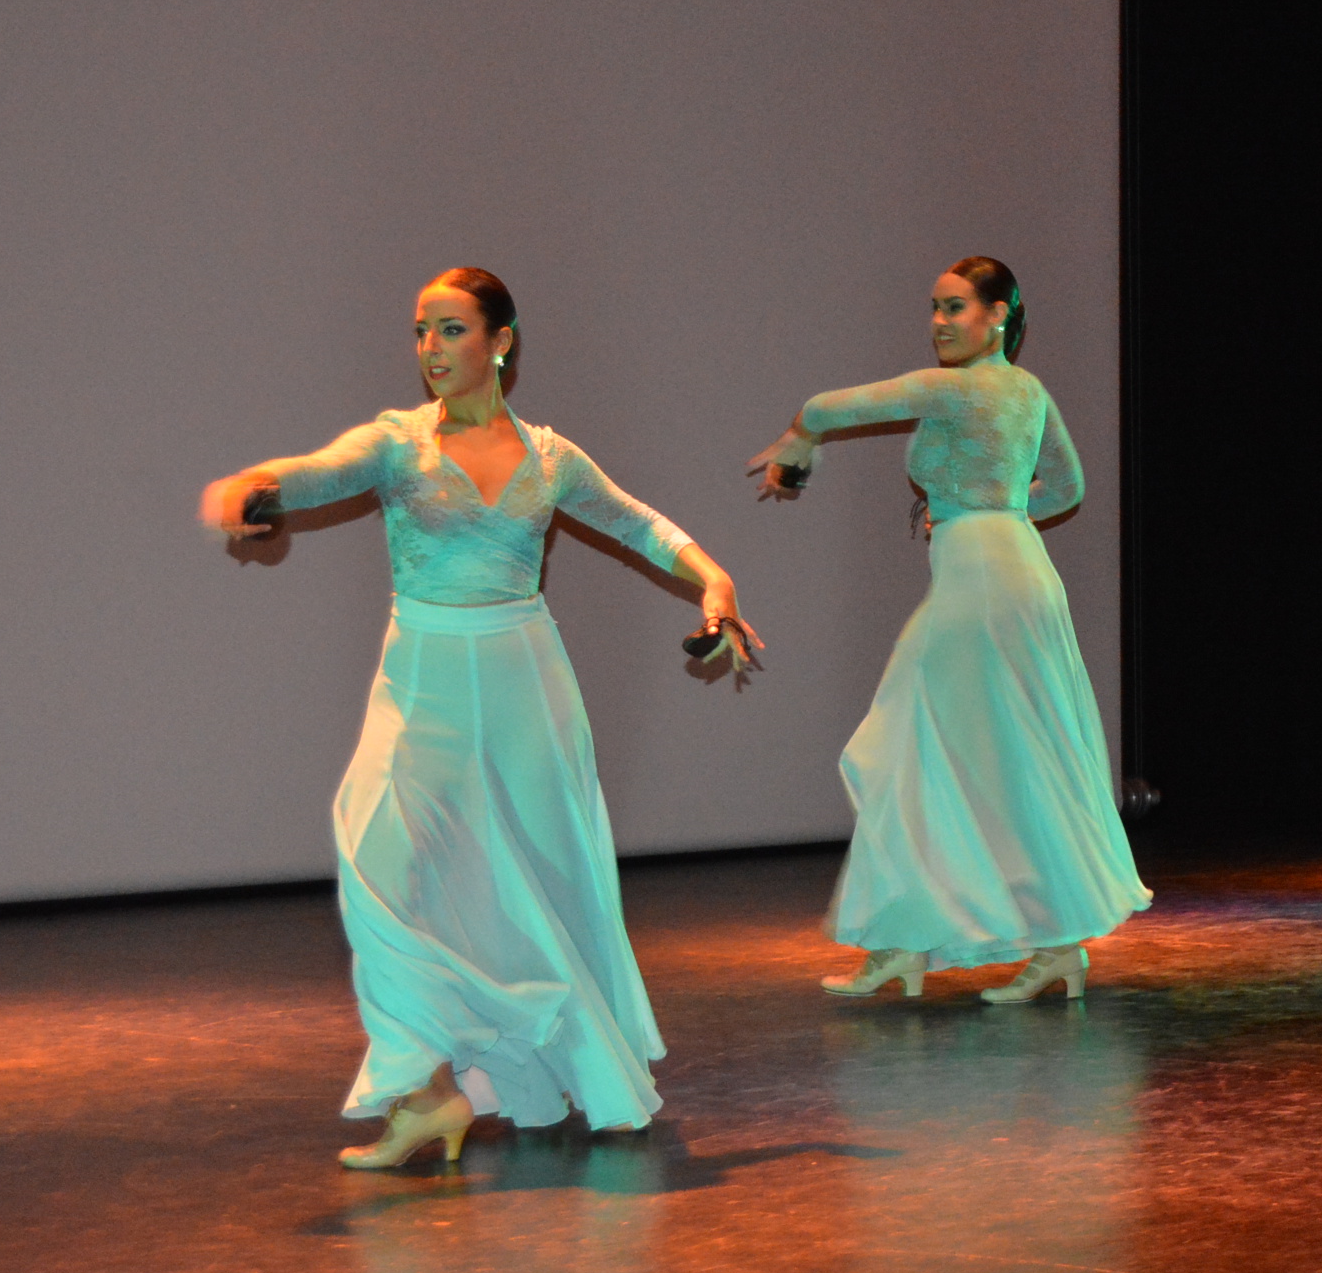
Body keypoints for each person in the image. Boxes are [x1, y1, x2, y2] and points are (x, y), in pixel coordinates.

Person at [198, 267, 758, 1170]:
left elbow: (638, 524)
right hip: (423, 677)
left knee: (536, 879)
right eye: (421, 331)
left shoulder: (550, 457)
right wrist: (261, 484)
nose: (430, 350)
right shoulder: (397, 444)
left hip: (524, 678)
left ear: (502, 340)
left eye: (451, 330)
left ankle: (462, 1096)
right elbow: (314, 474)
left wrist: (713, 581)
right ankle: (426, 1088)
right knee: (373, 852)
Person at [749, 256, 1148, 1004]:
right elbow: (1066, 488)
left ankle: (941, 942)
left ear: (1000, 315)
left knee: (923, 749)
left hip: (981, 580)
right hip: (1014, 566)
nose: (939, 322)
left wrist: (800, 437)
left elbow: (830, 406)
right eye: (934, 307)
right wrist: (992, 509)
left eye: (957, 307)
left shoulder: (954, 388)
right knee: (980, 753)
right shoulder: (1028, 393)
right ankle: (937, 943)